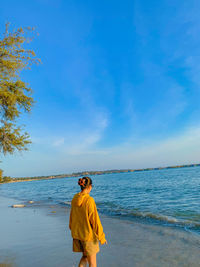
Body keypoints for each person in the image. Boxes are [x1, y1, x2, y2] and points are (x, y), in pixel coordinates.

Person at [69, 176, 107, 267]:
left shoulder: (75, 198)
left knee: (85, 257)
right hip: (88, 236)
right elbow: (95, 220)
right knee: (93, 264)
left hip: (78, 234)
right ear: (89, 187)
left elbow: (72, 215)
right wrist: (101, 236)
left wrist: (71, 228)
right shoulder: (89, 200)